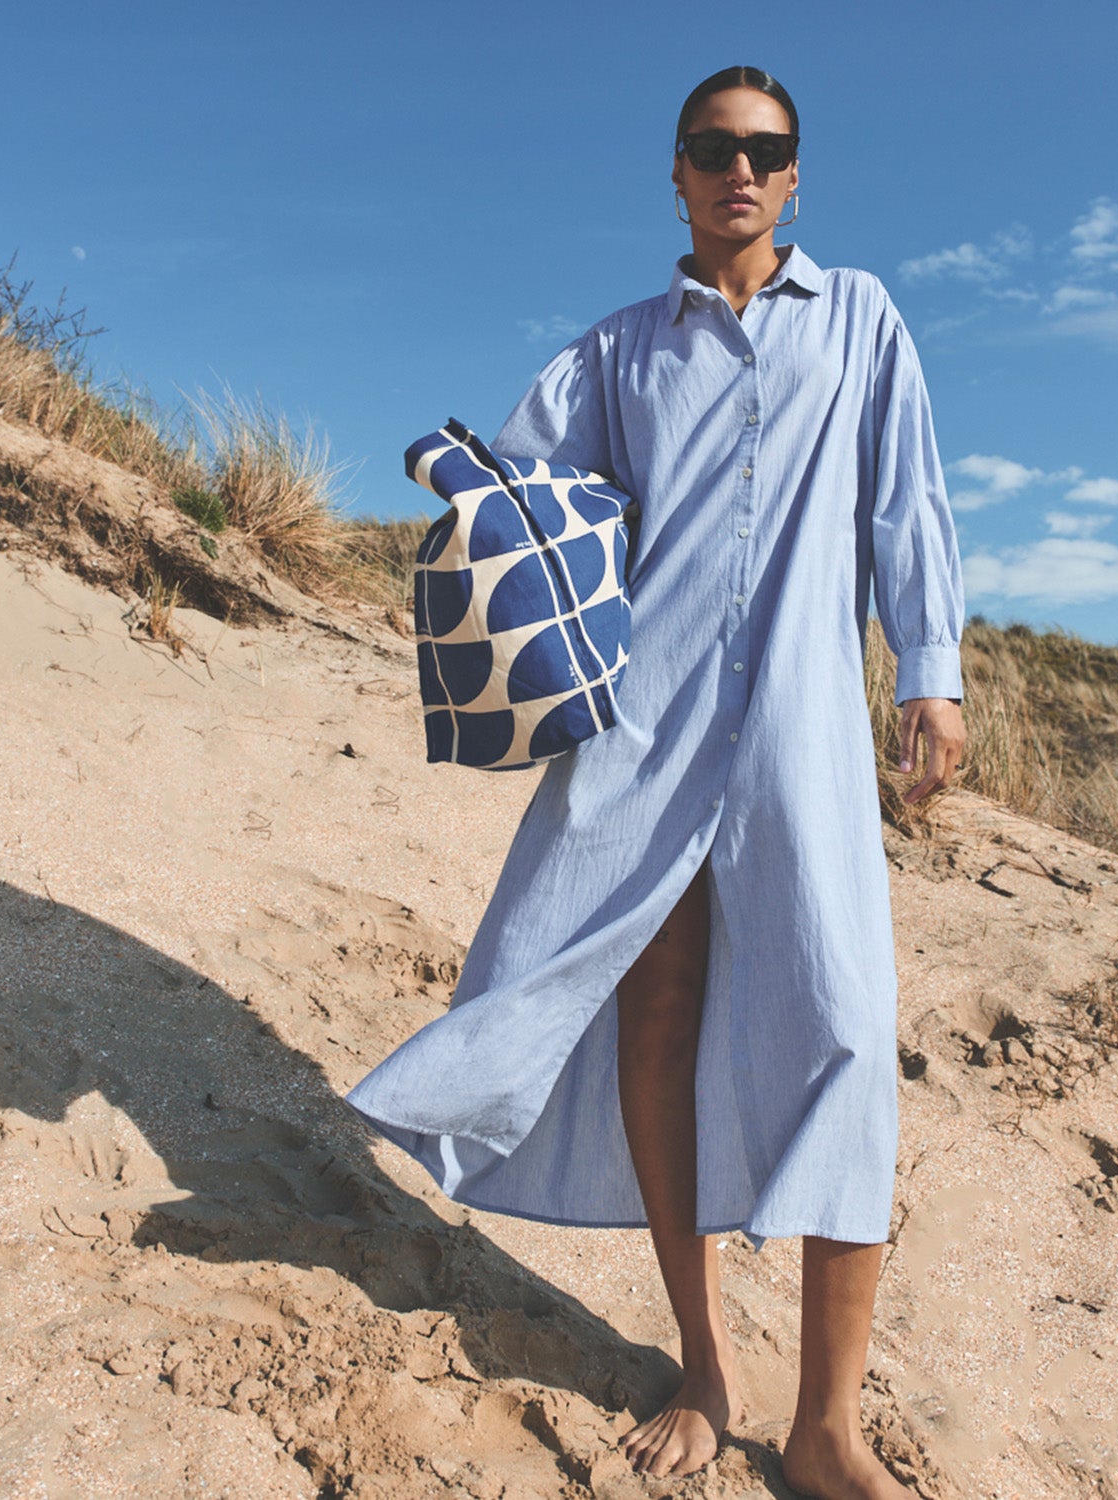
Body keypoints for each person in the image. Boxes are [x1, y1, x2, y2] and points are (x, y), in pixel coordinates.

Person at [344, 64, 965, 1499]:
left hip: (803, 726)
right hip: (642, 733)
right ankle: (704, 1359)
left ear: (794, 175)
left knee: (849, 1028)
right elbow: (523, 504)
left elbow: (905, 499)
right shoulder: (617, 353)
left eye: (766, 149)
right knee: (656, 1019)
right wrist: (475, 523)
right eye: (710, 147)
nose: (739, 168)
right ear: (676, 174)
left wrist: (928, 666)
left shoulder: (862, 320)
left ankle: (827, 1427)